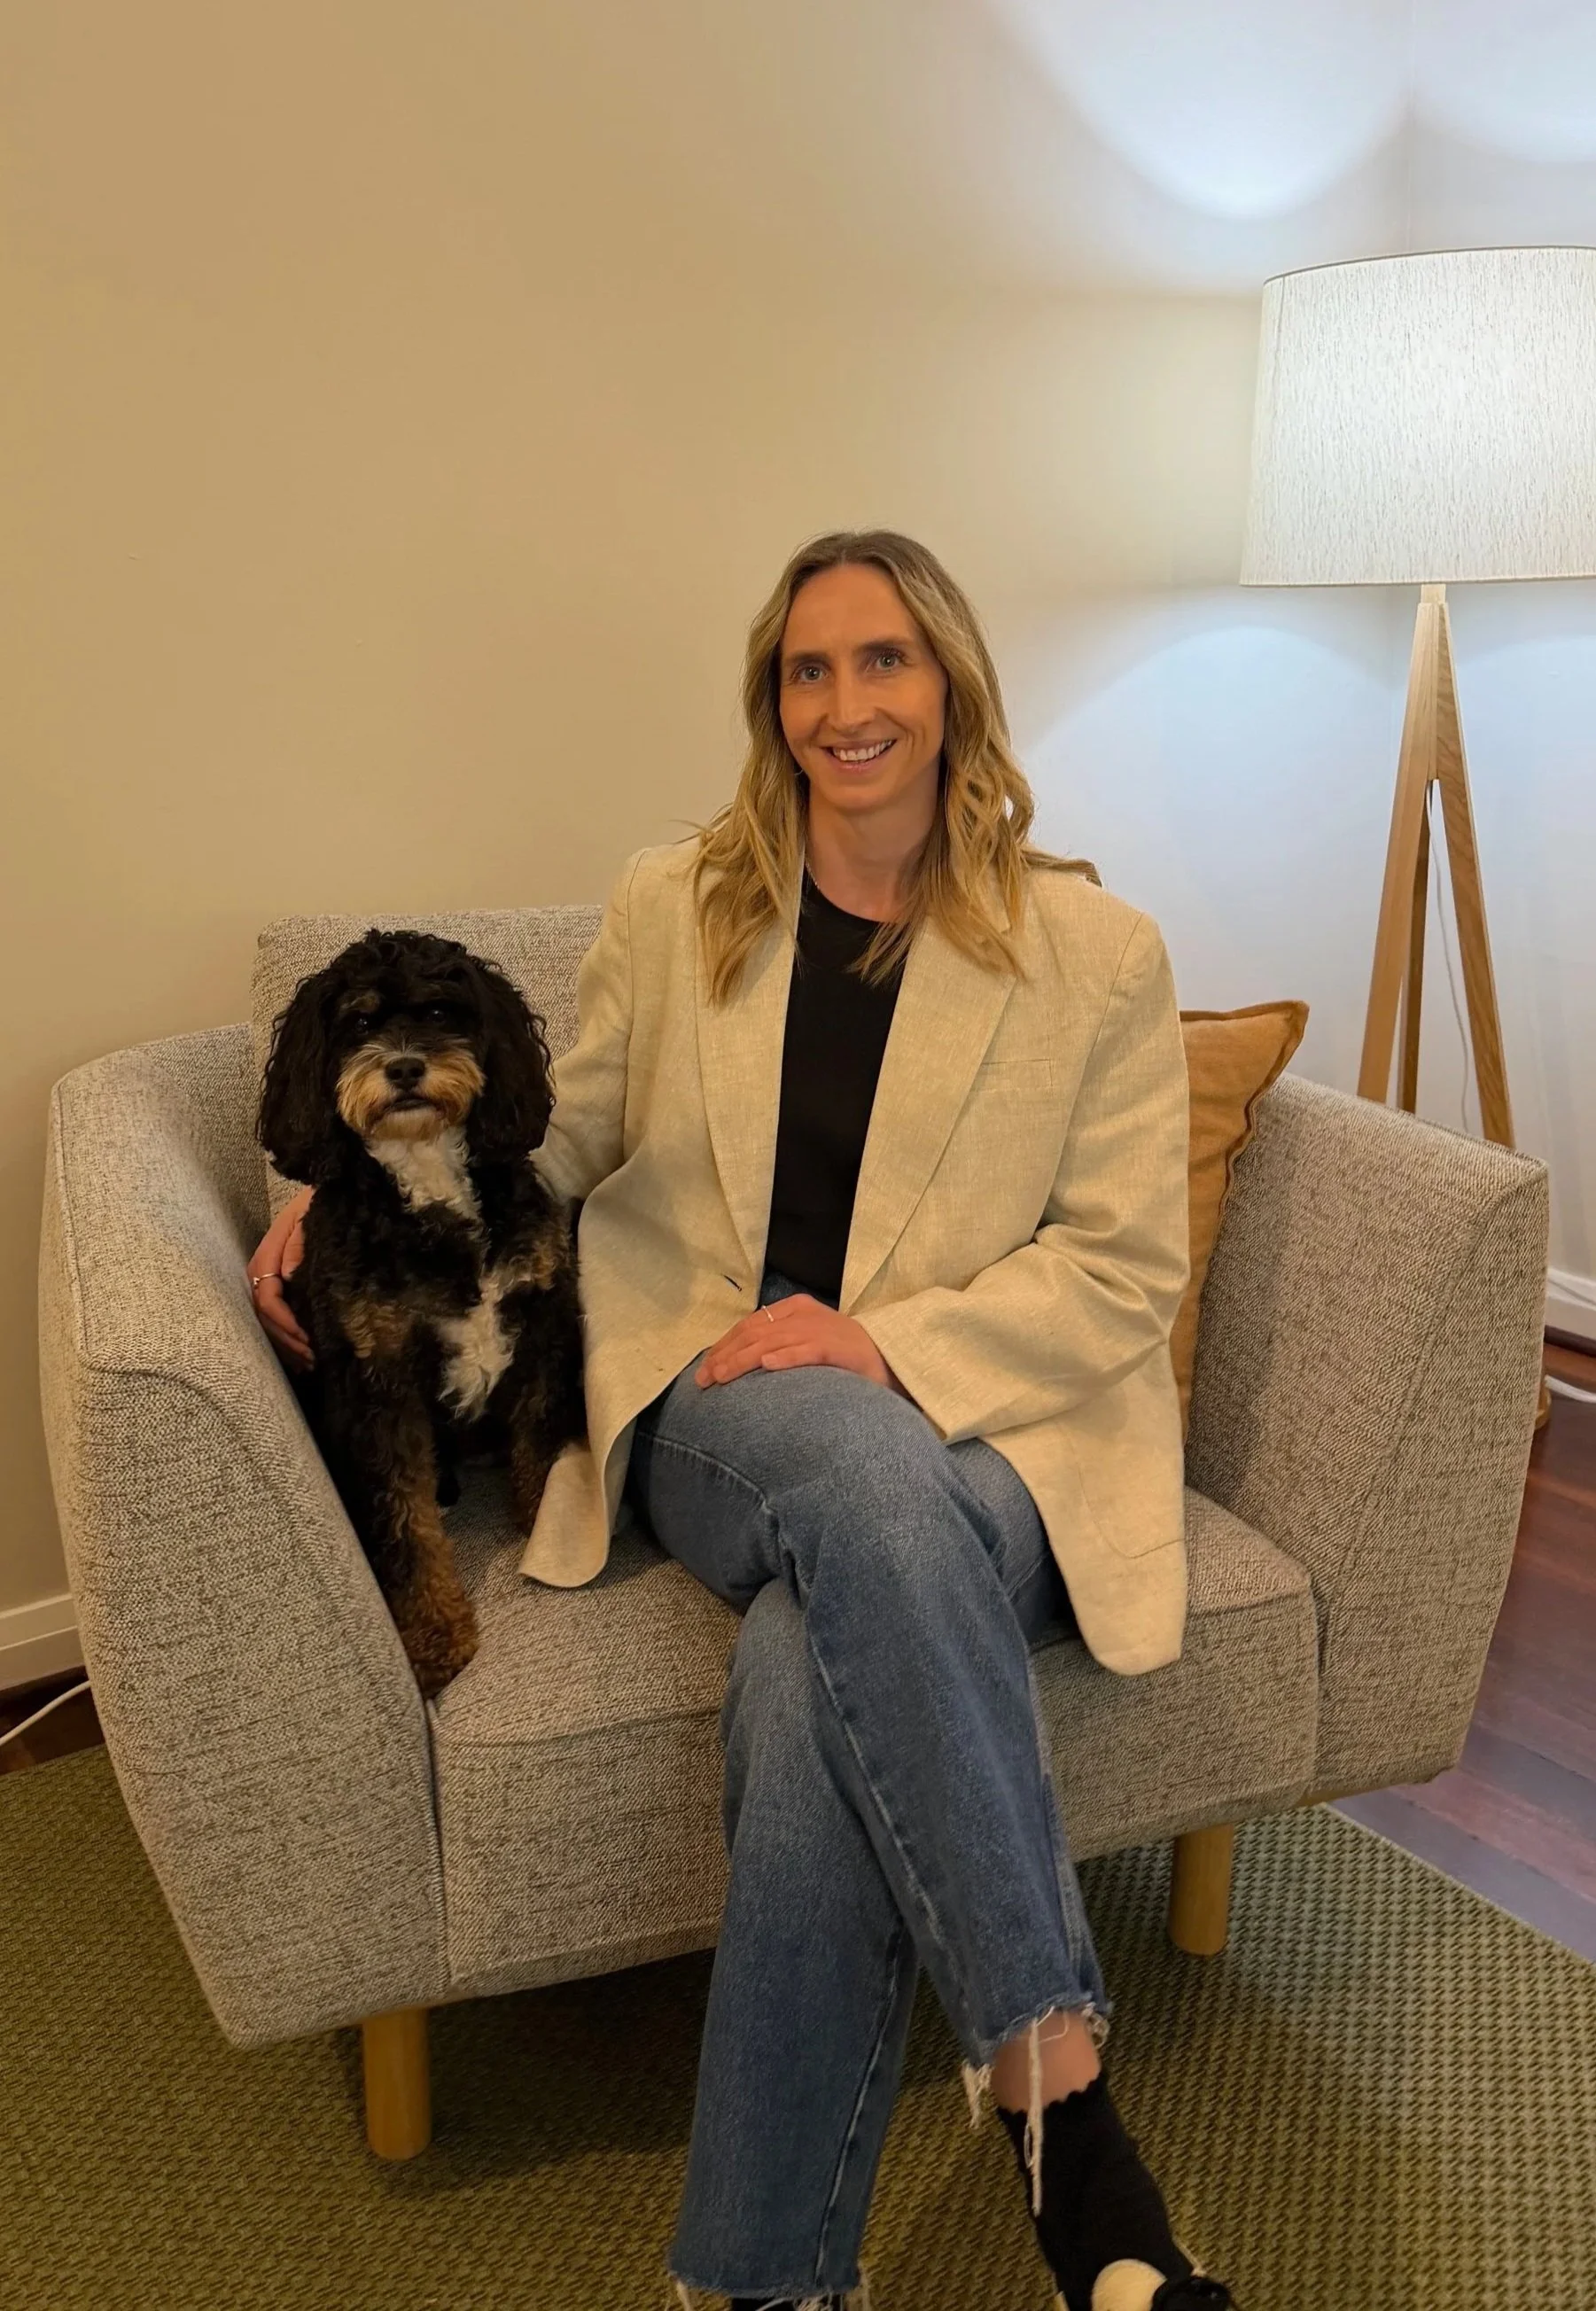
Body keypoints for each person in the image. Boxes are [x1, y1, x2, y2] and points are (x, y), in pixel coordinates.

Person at [251, 531, 1234, 2311]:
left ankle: (760, 2275)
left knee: (807, 1665)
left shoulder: (1097, 951)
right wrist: (340, 1176)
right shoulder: (680, 900)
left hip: (994, 1440)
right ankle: (1063, 2112)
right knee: (847, 1475)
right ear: (773, 706)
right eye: (806, 669)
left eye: (882, 662)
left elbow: (1122, 1268)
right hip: (710, 1399)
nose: (844, 704)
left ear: (952, 686)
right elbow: (555, 1128)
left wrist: (882, 1342)